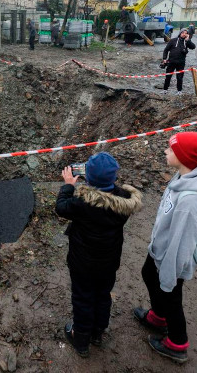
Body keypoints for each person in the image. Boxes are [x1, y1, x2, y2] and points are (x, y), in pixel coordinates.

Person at [133, 132, 197, 364]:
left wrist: (169, 275)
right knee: (148, 274)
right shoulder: (184, 176)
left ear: (185, 158)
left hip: (170, 260)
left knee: (170, 295)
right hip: (160, 251)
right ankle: (158, 317)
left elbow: (182, 243)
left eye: (171, 150)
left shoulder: (191, 202)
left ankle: (177, 343)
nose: (166, 151)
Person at [55, 153, 143, 358]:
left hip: (82, 262)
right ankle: (97, 333)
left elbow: (61, 207)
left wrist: (68, 185)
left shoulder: (82, 203)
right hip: (109, 261)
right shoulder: (124, 202)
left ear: (88, 179)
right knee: (103, 295)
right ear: (114, 178)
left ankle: (81, 338)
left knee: (83, 296)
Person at [161, 28, 196, 95]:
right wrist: (164, 58)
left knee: (179, 77)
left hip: (181, 63)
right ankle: (165, 90)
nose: (184, 34)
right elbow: (166, 50)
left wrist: (188, 40)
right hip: (171, 62)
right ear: (180, 33)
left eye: (186, 33)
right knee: (168, 76)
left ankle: (179, 91)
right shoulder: (173, 40)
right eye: (183, 33)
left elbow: (193, 47)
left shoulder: (186, 42)